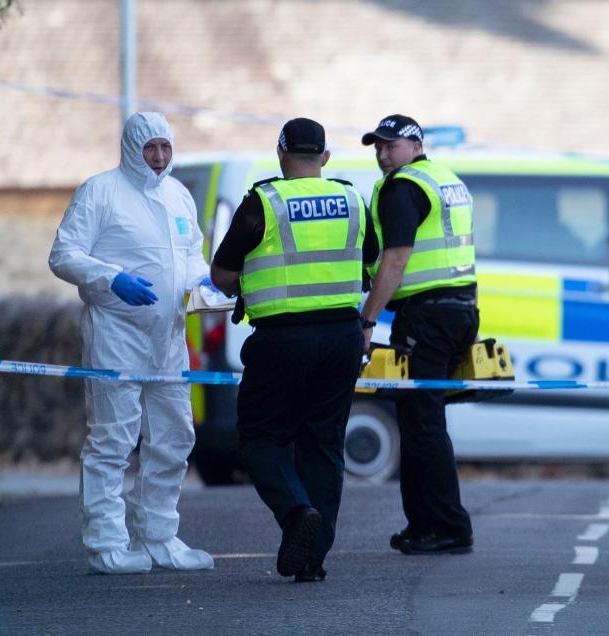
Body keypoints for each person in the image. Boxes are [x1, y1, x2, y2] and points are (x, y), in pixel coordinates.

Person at [210, 117, 377, 583]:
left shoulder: (263, 202)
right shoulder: (352, 199)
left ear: (281, 155)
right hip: (342, 337)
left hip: (282, 341)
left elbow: (222, 276)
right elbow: (370, 258)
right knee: (324, 445)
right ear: (324, 158)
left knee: (262, 438)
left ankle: (296, 512)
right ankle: (312, 559)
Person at [49, 112, 215, 574]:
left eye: (165, 147)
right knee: (111, 440)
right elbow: (63, 255)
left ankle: (160, 536)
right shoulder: (100, 192)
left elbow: (192, 258)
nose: (159, 158)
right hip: (115, 334)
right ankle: (106, 544)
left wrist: (208, 287)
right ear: (131, 148)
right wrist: (110, 278)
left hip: (169, 336)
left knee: (174, 436)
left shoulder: (178, 195)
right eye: (150, 148)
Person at [358, 114, 477, 554]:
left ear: (415, 145)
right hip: (458, 309)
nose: (383, 156)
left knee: (422, 422)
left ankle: (446, 526)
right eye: (378, 148)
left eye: (391, 146)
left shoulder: (404, 187)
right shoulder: (446, 179)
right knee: (420, 417)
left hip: (427, 315)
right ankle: (425, 524)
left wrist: (367, 320)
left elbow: (395, 261)